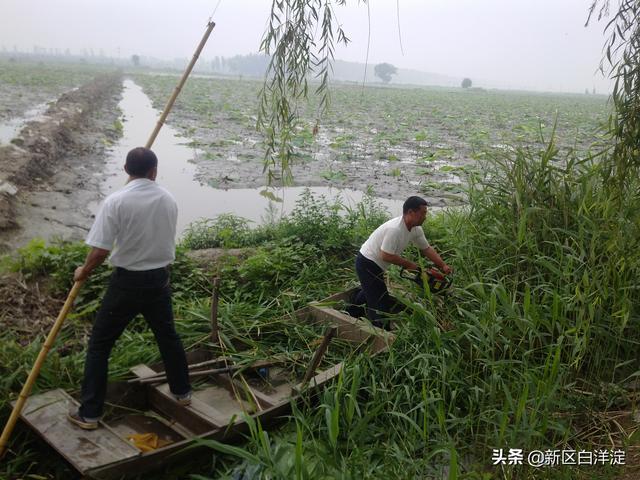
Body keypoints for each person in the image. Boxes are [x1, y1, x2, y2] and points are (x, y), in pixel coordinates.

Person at [67, 147, 191, 430]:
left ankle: (89, 414)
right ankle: (183, 393)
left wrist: (83, 271)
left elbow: (99, 251)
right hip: (159, 280)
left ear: (126, 170)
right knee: (168, 336)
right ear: (154, 171)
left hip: (127, 283)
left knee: (99, 345)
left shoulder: (116, 201)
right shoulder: (168, 199)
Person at [352, 196, 452, 328]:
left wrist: (443, 265)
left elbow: (426, 249)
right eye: (423, 213)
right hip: (367, 262)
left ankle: (351, 312)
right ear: (411, 212)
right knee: (380, 299)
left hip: (377, 264)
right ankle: (381, 330)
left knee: (370, 289)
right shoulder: (395, 229)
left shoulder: (416, 229)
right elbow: (386, 255)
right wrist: (410, 265)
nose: (425, 217)